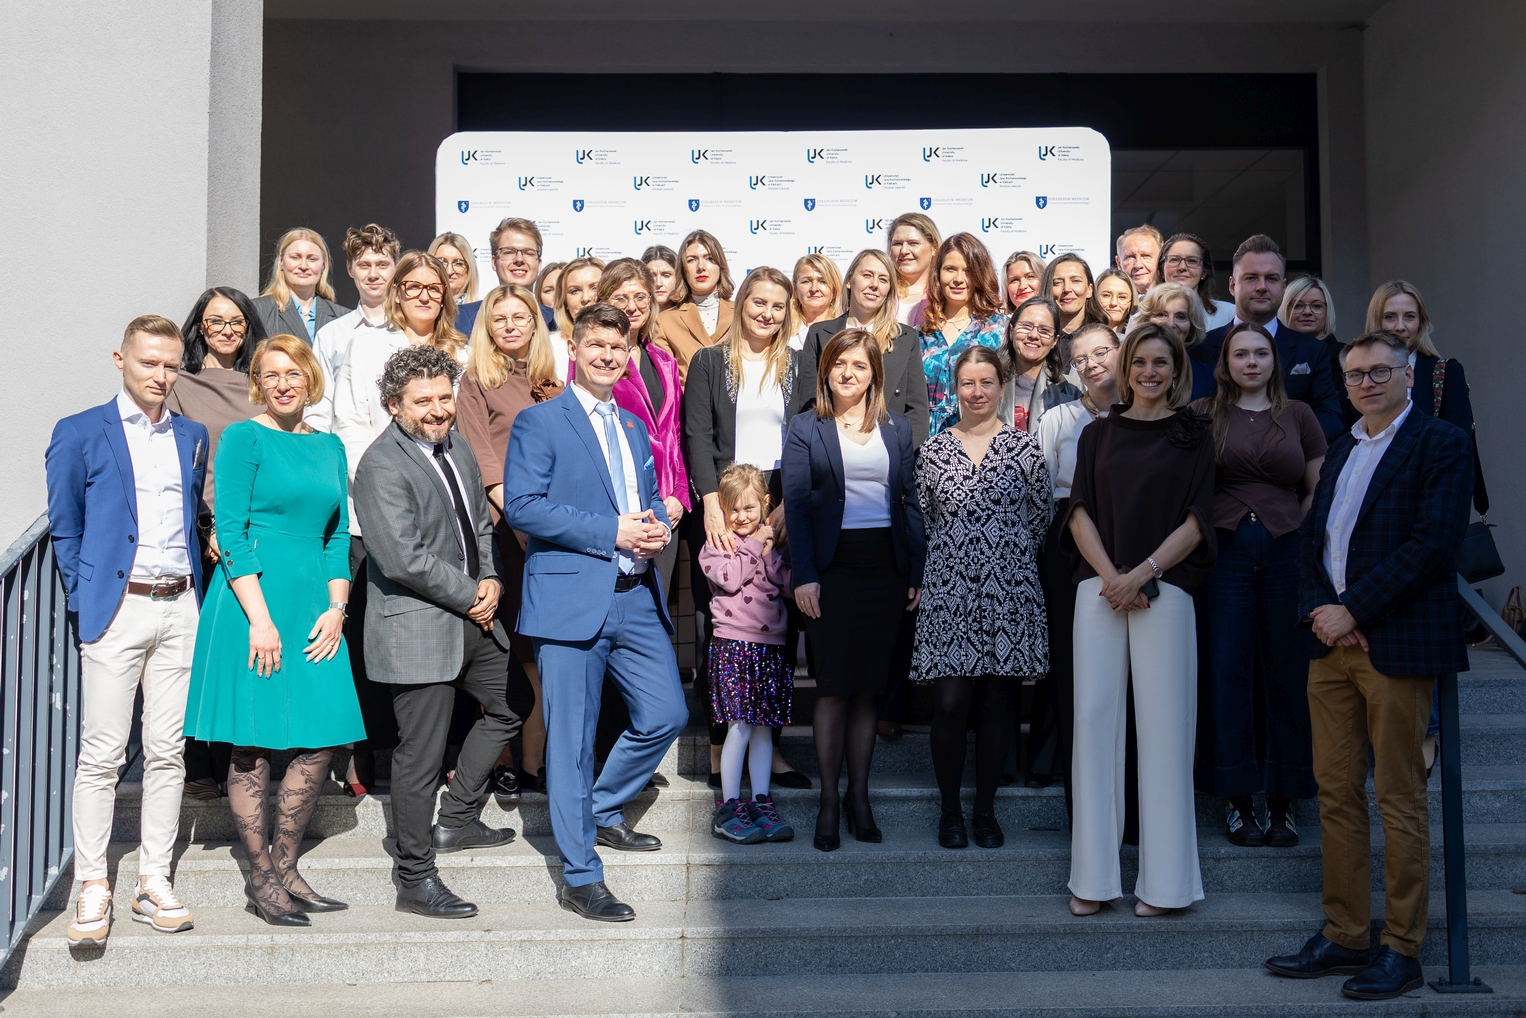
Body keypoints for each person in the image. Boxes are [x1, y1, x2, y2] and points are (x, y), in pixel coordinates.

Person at [1264, 330, 1473, 1001]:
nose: (1366, 383)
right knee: (1336, 793)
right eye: (1355, 375)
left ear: (1408, 375)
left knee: (1399, 797)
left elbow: (1433, 546)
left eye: (1380, 371)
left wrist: (1353, 609)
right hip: (1331, 647)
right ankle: (1346, 932)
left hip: (1395, 645)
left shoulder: (1441, 443)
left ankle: (1402, 948)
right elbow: (1311, 542)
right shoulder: (1344, 447)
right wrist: (1323, 611)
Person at [503, 303, 688, 922]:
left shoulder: (632, 426)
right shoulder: (539, 421)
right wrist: (612, 531)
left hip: (635, 596)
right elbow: (524, 506)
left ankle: (600, 808)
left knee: (666, 713)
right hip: (569, 601)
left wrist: (657, 526)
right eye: (597, 345)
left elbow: (644, 500)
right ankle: (581, 876)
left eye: (618, 347)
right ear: (575, 350)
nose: (608, 355)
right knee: (572, 744)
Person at [182, 335, 365, 925]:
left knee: (322, 735)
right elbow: (231, 532)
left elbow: (336, 536)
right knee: (253, 739)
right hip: (250, 602)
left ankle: (286, 866)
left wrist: (337, 608)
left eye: (294, 373)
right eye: (271, 374)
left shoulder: (330, 445)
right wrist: (259, 620)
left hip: (314, 602)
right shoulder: (243, 437)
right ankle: (261, 878)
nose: (283, 384)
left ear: (311, 378)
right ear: (258, 383)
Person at [47, 315, 209, 945]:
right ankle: (93, 884)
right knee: (102, 754)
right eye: (149, 363)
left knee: (168, 751)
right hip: (117, 610)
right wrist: (86, 599)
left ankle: (153, 880)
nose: (161, 376)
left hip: (181, 607)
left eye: (171, 365)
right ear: (121, 360)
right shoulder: (80, 431)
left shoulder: (192, 435)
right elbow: (66, 527)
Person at [351, 346, 528, 920]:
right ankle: (414, 878)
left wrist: (492, 578)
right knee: (420, 758)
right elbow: (402, 558)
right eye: (422, 400)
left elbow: (479, 524)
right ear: (393, 404)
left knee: (513, 704)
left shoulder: (458, 447)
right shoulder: (380, 465)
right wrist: (472, 594)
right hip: (420, 626)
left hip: (475, 613)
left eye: (444, 397)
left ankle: (456, 818)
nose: (437, 409)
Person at [1064, 322, 1215, 919]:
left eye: (1161, 363)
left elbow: (1198, 520)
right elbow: (1077, 512)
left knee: (1166, 734)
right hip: (1100, 589)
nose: (1149, 372)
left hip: (1166, 590)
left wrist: (1144, 572)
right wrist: (1113, 577)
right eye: (1140, 362)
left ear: (1176, 371)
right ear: (1126, 369)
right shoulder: (1097, 434)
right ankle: (1092, 880)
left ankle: (1167, 886)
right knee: (1093, 727)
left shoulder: (1194, 434)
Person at [783, 328, 925, 852]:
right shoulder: (806, 427)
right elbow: (797, 504)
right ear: (826, 371)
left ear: (875, 375)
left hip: (885, 567)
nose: (848, 373)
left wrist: (915, 571)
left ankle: (858, 796)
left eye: (859, 366)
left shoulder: (897, 428)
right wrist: (804, 574)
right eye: (839, 364)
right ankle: (828, 800)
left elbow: (909, 500)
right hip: (831, 569)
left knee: (868, 687)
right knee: (833, 687)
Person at [1190, 323, 1326, 849]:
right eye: (1240, 354)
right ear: (1226, 362)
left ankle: (1284, 800)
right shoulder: (1203, 414)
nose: (1251, 362)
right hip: (1223, 554)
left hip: (1286, 552)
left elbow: (1318, 484)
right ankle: (1238, 798)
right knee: (1227, 670)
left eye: (1261, 353)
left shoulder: (1299, 415)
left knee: (1286, 671)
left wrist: (1300, 529)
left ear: (1274, 360)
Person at [914, 345, 1051, 850]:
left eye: (986, 382)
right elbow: (925, 518)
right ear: (955, 388)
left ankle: (985, 812)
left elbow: (1040, 516)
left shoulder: (1025, 448)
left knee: (998, 704)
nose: (977, 392)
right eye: (967, 383)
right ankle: (950, 811)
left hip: (1010, 590)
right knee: (950, 702)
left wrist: (1001, 556)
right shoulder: (933, 451)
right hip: (949, 592)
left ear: (1001, 386)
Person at [685, 267, 802, 782]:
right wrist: (711, 503)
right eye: (759, 302)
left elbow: (806, 436)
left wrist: (788, 504)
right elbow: (697, 434)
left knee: (777, 623)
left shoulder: (798, 365)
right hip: (724, 498)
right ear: (742, 304)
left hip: (777, 497)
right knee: (719, 627)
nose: (767, 313)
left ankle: (768, 748)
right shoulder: (710, 361)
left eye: (777, 306)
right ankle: (719, 744)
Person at [1366, 279, 1487, 768]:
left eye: (1408, 317)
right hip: (1375, 512)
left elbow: (1457, 441)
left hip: (1427, 511)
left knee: (1426, 622)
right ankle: (1380, 731)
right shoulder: (1362, 368)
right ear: (1376, 321)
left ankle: (1428, 730)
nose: (1400, 326)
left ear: (1422, 322)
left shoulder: (1442, 372)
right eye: (1390, 317)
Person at [456, 282, 566, 798]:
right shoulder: (476, 381)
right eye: (499, 318)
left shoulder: (554, 384)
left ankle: (533, 763)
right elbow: (482, 458)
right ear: (486, 327)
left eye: (520, 315)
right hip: (503, 530)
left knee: (538, 655)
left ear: (534, 322)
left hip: (552, 534)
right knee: (503, 652)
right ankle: (499, 759)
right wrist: (522, 518)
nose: (510, 325)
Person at [165, 287, 267, 801]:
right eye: (215, 321)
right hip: (203, 534)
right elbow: (179, 467)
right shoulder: (180, 385)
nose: (226, 331)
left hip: (255, 532)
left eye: (236, 322)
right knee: (200, 648)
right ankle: (196, 761)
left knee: (240, 646)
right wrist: (210, 530)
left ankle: (235, 759)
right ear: (199, 327)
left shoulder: (263, 384)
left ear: (248, 327)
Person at [1029, 323, 1121, 799]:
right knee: (1068, 655)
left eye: (1101, 352)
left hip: (1127, 535)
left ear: (1121, 351)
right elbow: (1040, 492)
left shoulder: (1143, 415)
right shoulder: (1057, 419)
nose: (1092, 364)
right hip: (1066, 539)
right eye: (1081, 359)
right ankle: (1066, 765)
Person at [699, 463, 796, 845]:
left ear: (765, 504)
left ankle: (760, 801)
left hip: (771, 646)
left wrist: (772, 551)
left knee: (763, 728)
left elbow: (788, 585)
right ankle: (729, 806)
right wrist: (756, 544)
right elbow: (730, 578)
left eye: (750, 508)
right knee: (738, 726)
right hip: (734, 645)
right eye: (733, 509)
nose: (741, 517)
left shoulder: (774, 545)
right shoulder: (718, 544)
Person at [334, 250, 466, 486]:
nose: (424, 297)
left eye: (434, 288)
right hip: (383, 483)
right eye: (413, 287)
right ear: (396, 293)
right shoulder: (363, 348)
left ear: (444, 296)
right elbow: (349, 427)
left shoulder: (465, 356)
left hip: (448, 483)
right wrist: (380, 481)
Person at [595, 259, 688, 588]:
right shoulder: (596, 361)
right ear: (604, 301)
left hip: (665, 512)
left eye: (640, 297)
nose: (632, 306)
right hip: (619, 510)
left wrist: (679, 495)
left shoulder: (665, 361)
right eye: (621, 298)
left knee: (658, 606)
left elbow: (677, 434)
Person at [1194, 235, 1343, 440]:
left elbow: (1330, 419)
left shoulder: (1312, 351)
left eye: (1271, 278)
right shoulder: (1201, 348)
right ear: (1232, 285)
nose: (1261, 286)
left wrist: (1278, 444)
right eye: (1251, 278)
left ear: (1283, 286)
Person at [799, 248, 930, 445]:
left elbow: (917, 411)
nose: (874, 285)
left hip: (889, 450)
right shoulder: (819, 334)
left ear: (889, 290)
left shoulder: (905, 338)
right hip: (829, 447)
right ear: (849, 281)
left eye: (883, 279)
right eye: (867, 275)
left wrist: (905, 456)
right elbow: (809, 402)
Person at [309, 223, 400, 433]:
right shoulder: (330, 336)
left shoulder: (411, 330)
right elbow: (319, 409)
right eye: (364, 265)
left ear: (396, 267)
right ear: (350, 269)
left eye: (382, 265)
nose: (373, 274)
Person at [918, 233, 1008, 435]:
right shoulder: (920, 335)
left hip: (981, 437)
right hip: (926, 441)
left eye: (968, 271)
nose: (958, 279)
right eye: (950, 269)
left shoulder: (999, 329)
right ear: (938, 273)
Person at [656, 229, 735, 385]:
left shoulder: (742, 313)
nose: (701, 267)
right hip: (688, 400)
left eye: (709, 258)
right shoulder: (665, 322)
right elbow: (667, 383)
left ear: (720, 265)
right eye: (692, 260)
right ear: (683, 269)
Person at [458, 217, 555, 335]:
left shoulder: (554, 321)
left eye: (528, 253)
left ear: (539, 264)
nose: (519, 259)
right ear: (494, 262)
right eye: (509, 252)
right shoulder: (464, 318)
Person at [999, 296, 1083, 432]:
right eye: (1026, 326)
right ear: (1011, 331)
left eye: (1044, 330)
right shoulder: (988, 386)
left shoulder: (1073, 391)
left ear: (1054, 341)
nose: (1033, 335)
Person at [252, 228, 349, 343]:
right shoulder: (258, 311)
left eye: (312, 259)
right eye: (295, 257)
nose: (303, 266)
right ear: (281, 261)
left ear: (323, 264)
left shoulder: (343, 317)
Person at [1279, 276, 1349, 425]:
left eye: (1316, 306)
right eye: (1298, 305)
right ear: (1285, 309)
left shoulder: (1345, 355)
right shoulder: (1269, 351)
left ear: (1327, 311)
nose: (1307, 312)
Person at [1138, 282, 1211, 400]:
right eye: (1161, 315)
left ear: (1192, 327)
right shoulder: (1131, 370)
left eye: (1180, 317)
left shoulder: (1209, 378)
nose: (1170, 324)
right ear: (1146, 321)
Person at [1162, 232, 1234, 331]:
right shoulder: (1144, 316)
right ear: (1161, 270)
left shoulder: (1230, 314)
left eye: (1192, 261)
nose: (1182, 267)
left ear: (1204, 272)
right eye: (1174, 259)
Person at [1041, 253, 1105, 364]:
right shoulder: (1037, 340)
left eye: (1075, 281)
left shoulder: (1108, 340)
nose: (1067, 289)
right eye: (1057, 282)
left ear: (1089, 289)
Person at [888, 212, 941, 326]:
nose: (904, 251)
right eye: (897, 244)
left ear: (934, 248)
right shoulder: (880, 291)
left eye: (913, 243)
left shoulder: (944, 294)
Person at [790, 253, 843, 349]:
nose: (814, 289)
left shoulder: (845, 331)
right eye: (806, 281)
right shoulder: (781, 332)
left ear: (835, 289)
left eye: (823, 282)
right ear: (795, 289)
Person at [429, 232, 479, 306]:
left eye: (458, 264)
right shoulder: (418, 310)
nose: (449, 271)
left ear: (469, 269)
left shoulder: (482, 311)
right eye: (442, 262)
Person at [1115, 225, 1163, 297]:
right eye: (1130, 257)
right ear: (1119, 263)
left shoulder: (1176, 300)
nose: (1138, 265)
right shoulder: (1110, 302)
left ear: (1161, 259)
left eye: (1146, 256)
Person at [1094, 268, 1136, 336]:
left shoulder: (1141, 337)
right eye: (1106, 295)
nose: (1113, 303)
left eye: (1122, 297)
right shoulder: (1081, 334)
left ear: (1131, 301)